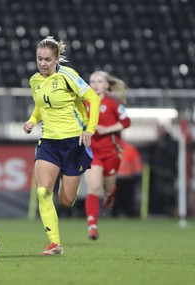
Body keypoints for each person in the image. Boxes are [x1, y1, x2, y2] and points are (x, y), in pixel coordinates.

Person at [23, 36, 100, 255]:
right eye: (39, 59)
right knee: (42, 192)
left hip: (73, 142)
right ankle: (54, 243)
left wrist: (89, 130)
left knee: (66, 201)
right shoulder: (34, 81)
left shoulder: (68, 76)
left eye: (47, 59)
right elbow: (40, 106)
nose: (43, 63)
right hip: (48, 142)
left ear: (57, 59)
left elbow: (93, 99)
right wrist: (32, 120)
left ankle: (67, 184)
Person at [84, 71, 131, 240]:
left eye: (99, 81)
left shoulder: (113, 103)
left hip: (111, 151)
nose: (95, 84)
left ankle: (110, 195)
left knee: (108, 188)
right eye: (92, 81)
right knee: (94, 187)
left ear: (106, 85)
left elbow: (126, 122)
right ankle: (92, 227)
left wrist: (106, 129)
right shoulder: (84, 102)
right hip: (91, 151)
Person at [148, 123, 178, 216]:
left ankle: (168, 212)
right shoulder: (156, 143)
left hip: (167, 174)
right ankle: (160, 212)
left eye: (160, 130)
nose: (159, 132)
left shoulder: (171, 143)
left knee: (167, 194)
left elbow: (171, 158)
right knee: (158, 194)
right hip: (158, 173)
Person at [113, 141, 143, 217]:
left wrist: (138, 175)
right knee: (115, 200)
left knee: (127, 199)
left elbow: (137, 163)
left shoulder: (129, 148)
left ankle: (127, 214)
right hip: (116, 179)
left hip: (127, 179)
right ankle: (116, 214)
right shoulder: (112, 148)